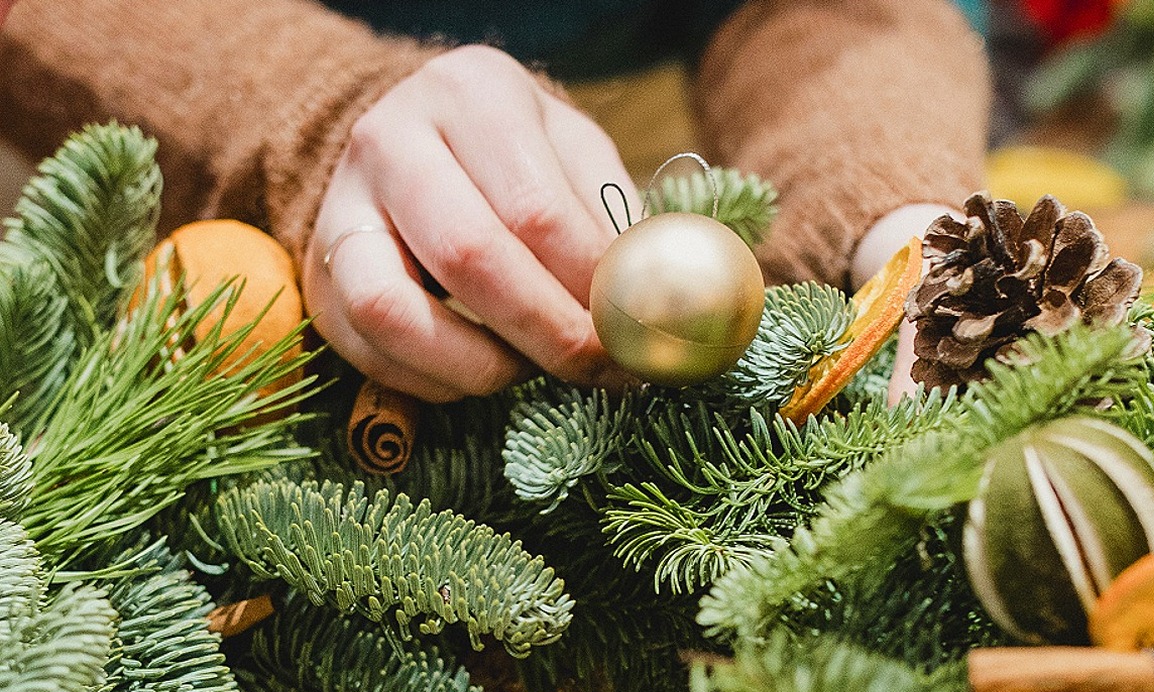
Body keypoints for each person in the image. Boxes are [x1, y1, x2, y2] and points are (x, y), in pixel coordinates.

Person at [0, 0, 990, 401]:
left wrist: (897, 210)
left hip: (658, 127)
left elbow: (844, 16)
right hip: (133, 164)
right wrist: (309, 109)